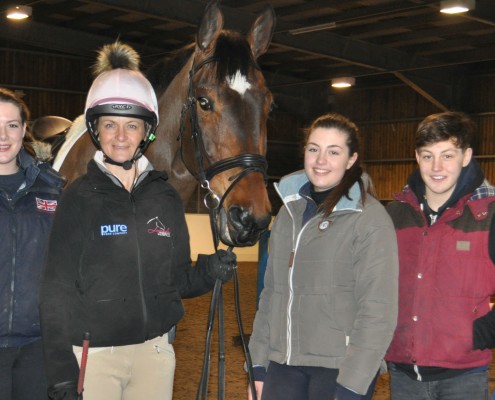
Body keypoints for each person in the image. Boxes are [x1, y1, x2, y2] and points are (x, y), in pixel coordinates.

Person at [39, 42, 236, 400]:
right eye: (110, 125)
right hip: (96, 356)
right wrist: (61, 371)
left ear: (147, 132)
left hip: (154, 354)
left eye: (131, 125)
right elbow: (56, 291)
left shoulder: (165, 198)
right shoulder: (77, 198)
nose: (120, 137)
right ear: (96, 130)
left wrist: (208, 273)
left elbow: (175, 281)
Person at [247, 112, 399, 400]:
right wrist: (258, 364)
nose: (320, 160)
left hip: (339, 369)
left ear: (351, 159)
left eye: (334, 152)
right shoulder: (288, 215)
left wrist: (354, 384)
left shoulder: (370, 220)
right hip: (282, 363)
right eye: (314, 149)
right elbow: (271, 294)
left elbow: (378, 310)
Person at [385, 111, 495, 400]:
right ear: (416, 157)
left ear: (466, 156)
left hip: (464, 376)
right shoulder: (394, 215)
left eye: (447, 155)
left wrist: (482, 331)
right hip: (403, 373)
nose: (437, 167)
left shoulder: (489, 215)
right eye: (427, 156)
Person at [0, 87, 64, 400]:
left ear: (24, 129)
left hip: (37, 347)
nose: (3, 135)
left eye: (11, 125)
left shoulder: (51, 189)